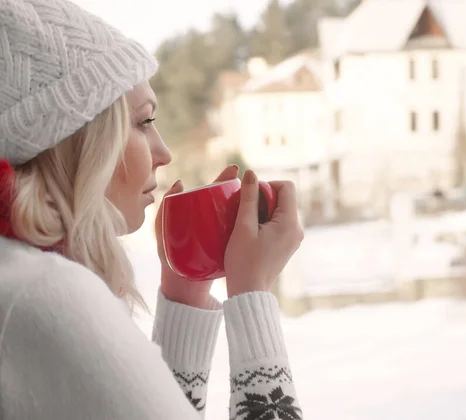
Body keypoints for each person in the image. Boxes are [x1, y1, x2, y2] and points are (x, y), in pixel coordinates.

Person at [0, 0, 304, 419]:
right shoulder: (45, 294)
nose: (164, 152)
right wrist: (252, 296)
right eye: (143, 122)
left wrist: (186, 298)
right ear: (79, 142)